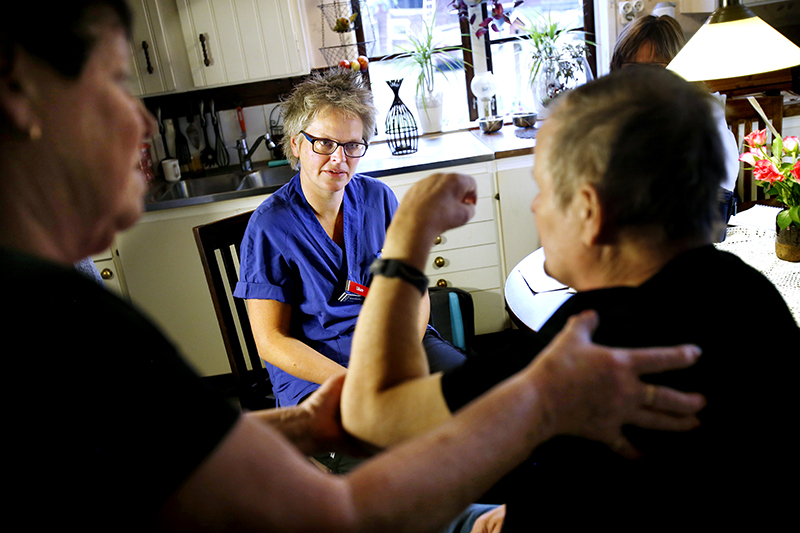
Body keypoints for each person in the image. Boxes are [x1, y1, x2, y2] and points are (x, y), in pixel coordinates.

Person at [1, 2, 707, 531]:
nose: (145, 124)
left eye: (352, 147)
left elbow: (169, 449)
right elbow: (333, 511)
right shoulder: (66, 322)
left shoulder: (70, 309)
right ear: (18, 91)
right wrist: (535, 403)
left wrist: (310, 424)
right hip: (330, 371)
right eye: (116, 80)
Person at [341, 67, 800, 529]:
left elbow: (369, 412)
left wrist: (406, 240)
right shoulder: (750, 292)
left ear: (589, 210)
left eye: (543, 189)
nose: (535, 206)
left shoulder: (589, 338)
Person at [234, 69, 466, 415]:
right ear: (296, 144)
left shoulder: (378, 199)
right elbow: (270, 340)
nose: (339, 159)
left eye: (352, 145)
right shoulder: (270, 226)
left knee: (474, 393)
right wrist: (356, 381)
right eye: (324, 143)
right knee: (390, 432)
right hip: (319, 368)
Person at [611, 14, 739, 236]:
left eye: (656, 69)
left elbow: (717, 196)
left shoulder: (703, 112)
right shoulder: (615, 112)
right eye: (633, 69)